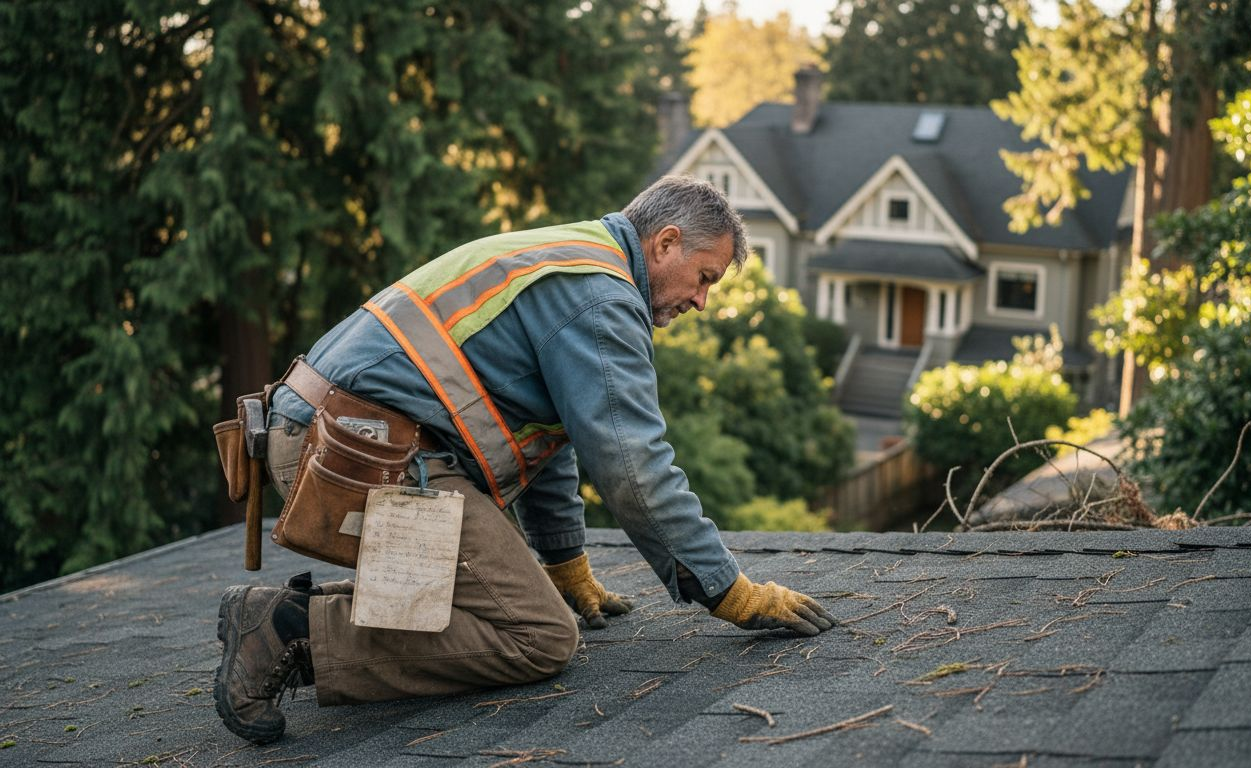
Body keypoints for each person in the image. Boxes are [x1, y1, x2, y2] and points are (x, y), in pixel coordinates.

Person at [213, 175, 837, 744]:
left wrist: (566, 563)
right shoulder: (601, 298)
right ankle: (287, 631)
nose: (702, 301)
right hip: (362, 451)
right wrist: (729, 591)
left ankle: (282, 619)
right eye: (706, 277)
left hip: (347, 436)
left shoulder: (576, 257)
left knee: (494, 603)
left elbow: (545, 433)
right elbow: (632, 468)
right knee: (535, 635)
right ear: (667, 243)